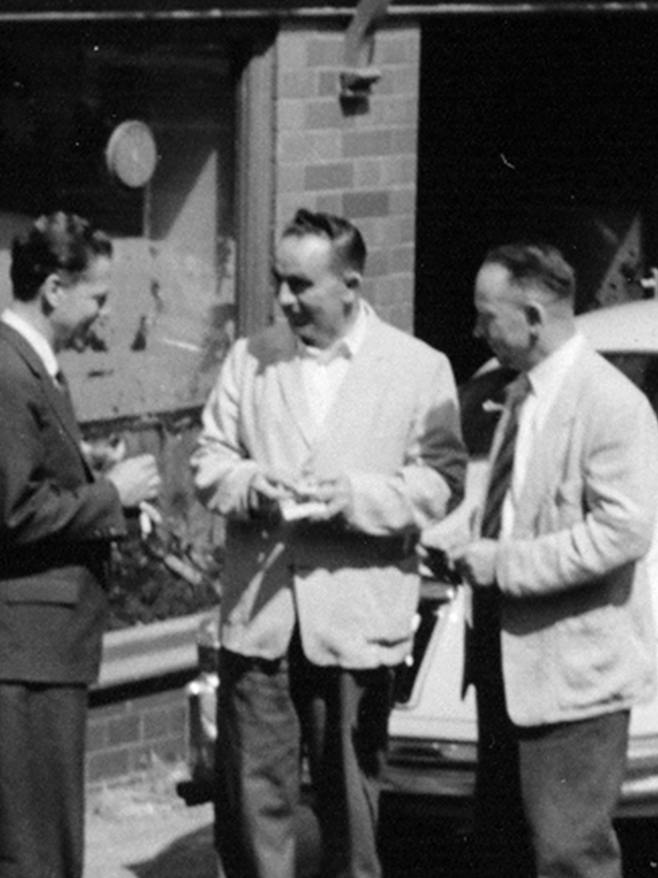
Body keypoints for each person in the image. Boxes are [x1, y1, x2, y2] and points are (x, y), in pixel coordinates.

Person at [193, 209, 466, 878]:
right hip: (261, 624)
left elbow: (442, 480)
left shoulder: (418, 368)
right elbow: (208, 460)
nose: (285, 300)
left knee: (351, 813)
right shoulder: (250, 359)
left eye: (301, 285)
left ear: (349, 284)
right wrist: (250, 483)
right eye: (279, 283)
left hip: (352, 622)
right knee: (253, 811)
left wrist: (359, 499)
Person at [0, 211, 163, 878]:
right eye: (98, 297)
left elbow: (18, 480)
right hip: (18, 648)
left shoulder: (24, 367)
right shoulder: (3, 373)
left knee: (10, 844)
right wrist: (115, 494)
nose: (103, 315)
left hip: (30, 645)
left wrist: (81, 467)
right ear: (54, 288)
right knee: (28, 852)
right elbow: (14, 513)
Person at [422, 241, 658, 878]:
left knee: (568, 856)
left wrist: (501, 565)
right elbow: (521, 505)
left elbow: (622, 532)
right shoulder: (523, 395)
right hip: (506, 666)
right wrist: (462, 537)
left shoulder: (610, 404)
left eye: (487, 316)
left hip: (574, 680)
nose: (476, 330)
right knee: (505, 848)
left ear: (532, 316)